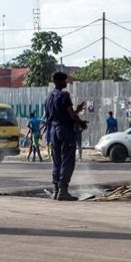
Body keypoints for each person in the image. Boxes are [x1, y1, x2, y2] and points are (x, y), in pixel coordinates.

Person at [43, 71, 88, 201]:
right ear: (59, 81)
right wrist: (80, 122)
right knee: (68, 160)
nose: (66, 83)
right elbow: (70, 115)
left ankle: (56, 190)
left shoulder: (49, 97)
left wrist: (77, 110)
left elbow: (57, 114)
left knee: (57, 161)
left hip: (53, 130)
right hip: (65, 130)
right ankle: (63, 190)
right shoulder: (64, 95)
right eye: (64, 81)